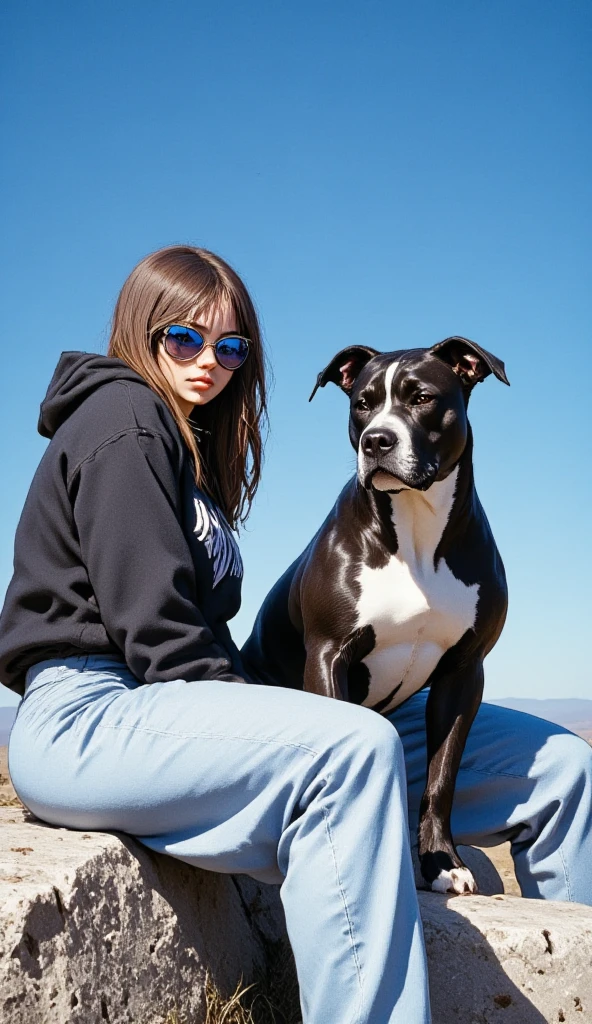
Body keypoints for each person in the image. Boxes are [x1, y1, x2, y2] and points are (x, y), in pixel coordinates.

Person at [1, 245, 590, 1024]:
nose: (209, 360)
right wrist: (277, 718)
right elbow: (160, 635)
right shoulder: (124, 421)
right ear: (141, 330)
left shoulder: (187, 445)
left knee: (562, 769)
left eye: (230, 345)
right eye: (184, 338)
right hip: (87, 713)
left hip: (157, 710)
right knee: (351, 747)